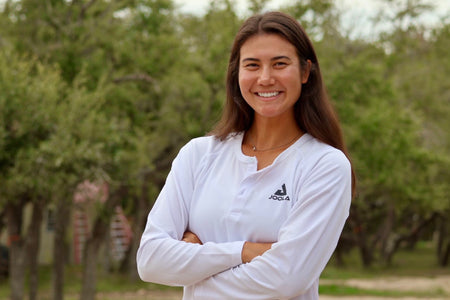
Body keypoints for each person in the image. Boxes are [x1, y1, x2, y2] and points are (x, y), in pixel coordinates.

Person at [137, 11, 355, 300]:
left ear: (305, 72)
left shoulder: (325, 165)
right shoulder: (198, 155)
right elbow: (151, 261)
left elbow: (286, 280)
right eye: (252, 65)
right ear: (236, 74)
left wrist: (196, 262)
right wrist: (247, 251)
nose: (265, 78)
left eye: (280, 64)